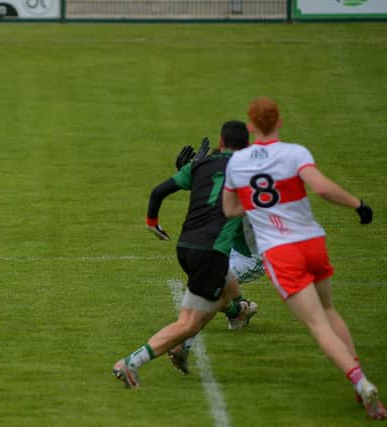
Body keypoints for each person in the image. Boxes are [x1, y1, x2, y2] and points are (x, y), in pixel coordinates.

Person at [222, 97, 385, 420]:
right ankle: (358, 380)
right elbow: (322, 189)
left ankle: (361, 383)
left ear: (251, 126)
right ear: (280, 122)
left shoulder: (236, 164)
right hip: (311, 242)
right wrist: (357, 204)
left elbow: (229, 210)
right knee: (328, 309)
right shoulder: (295, 152)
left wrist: (259, 208)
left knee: (317, 325)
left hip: (281, 253)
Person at [112, 120, 251, 388]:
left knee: (228, 289)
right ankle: (130, 363)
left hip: (186, 247)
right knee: (188, 322)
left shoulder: (200, 165)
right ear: (247, 147)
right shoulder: (247, 171)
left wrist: (153, 223)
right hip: (212, 252)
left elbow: (158, 192)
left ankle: (238, 312)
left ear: (221, 142)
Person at [145, 138, 262, 375]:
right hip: (224, 248)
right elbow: (211, 192)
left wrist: (196, 170)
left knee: (212, 287)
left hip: (253, 257)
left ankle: (184, 343)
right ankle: (237, 312)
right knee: (207, 281)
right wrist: (190, 171)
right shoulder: (234, 178)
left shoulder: (247, 185)